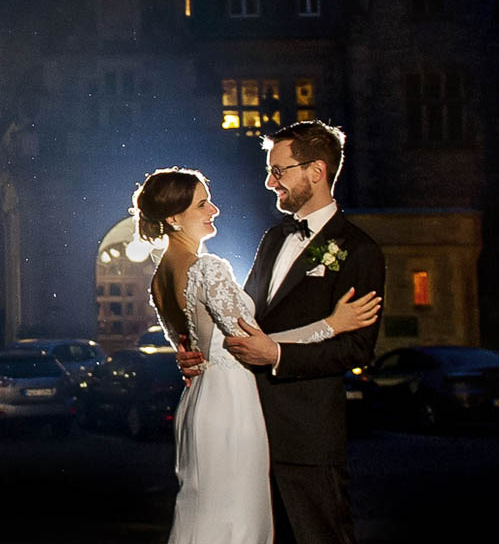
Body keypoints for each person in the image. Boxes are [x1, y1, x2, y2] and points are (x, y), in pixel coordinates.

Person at [135, 163, 380, 544]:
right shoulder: (207, 268)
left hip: (199, 402)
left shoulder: (159, 275)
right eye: (203, 205)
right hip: (230, 404)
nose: (213, 210)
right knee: (237, 521)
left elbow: (187, 344)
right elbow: (253, 342)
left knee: (206, 513)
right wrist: (332, 324)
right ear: (174, 218)